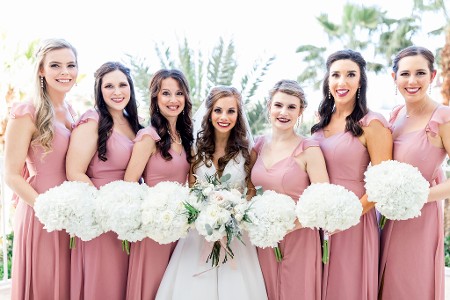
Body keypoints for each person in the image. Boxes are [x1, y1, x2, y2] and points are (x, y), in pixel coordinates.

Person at [156, 85, 268, 300]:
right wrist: (205, 213)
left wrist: (232, 214)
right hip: (198, 233)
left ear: (239, 114)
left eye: (231, 111)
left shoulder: (248, 152)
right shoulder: (196, 149)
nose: (224, 117)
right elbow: (191, 189)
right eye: (218, 110)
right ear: (209, 113)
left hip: (235, 236)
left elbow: (251, 192)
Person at [310, 49, 392, 300]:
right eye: (335, 75)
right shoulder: (319, 122)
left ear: (360, 81)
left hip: (355, 217)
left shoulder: (372, 123)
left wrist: (348, 215)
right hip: (317, 218)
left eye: (350, 75)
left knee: (347, 287)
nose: (341, 82)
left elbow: (382, 183)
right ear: (327, 81)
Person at [4, 38, 78, 300]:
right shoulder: (27, 111)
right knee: (45, 285)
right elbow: (11, 175)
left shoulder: (72, 111)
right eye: (55, 65)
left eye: (71, 65)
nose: (64, 72)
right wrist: (47, 208)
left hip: (72, 214)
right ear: (41, 70)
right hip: (40, 213)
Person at [379, 46, 450, 300]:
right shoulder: (395, 115)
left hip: (421, 218)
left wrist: (417, 196)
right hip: (387, 216)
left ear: (432, 76)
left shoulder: (443, 117)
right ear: (394, 78)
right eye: (405, 74)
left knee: (410, 284)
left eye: (420, 73)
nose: (412, 81)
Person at [66, 61, 142, 300]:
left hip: (129, 217)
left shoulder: (134, 123)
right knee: (104, 285)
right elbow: (74, 172)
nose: (117, 92)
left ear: (130, 87)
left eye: (122, 85)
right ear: (99, 90)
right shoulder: (92, 120)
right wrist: (105, 208)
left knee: (125, 284)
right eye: (109, 86)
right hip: (100, 218)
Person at [251, 79, 329, 300]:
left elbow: (322, 200)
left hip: (300, 236)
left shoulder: (309, 149)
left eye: (291, 107)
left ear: (300, 111)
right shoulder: (257, 146)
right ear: (269, 107)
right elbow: (248, 190)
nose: (283, 112)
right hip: (264, 237)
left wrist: (285, 227)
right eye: (278, 105)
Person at [124, 69, 194, 300]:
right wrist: (154, 210)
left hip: (180, 229)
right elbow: (130, 184)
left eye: (179, 93)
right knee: (152, 288)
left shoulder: (186, 138)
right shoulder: (148, 137)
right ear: (155, 97)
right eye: (166, 93)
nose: (173, 100)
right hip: (154, 229)